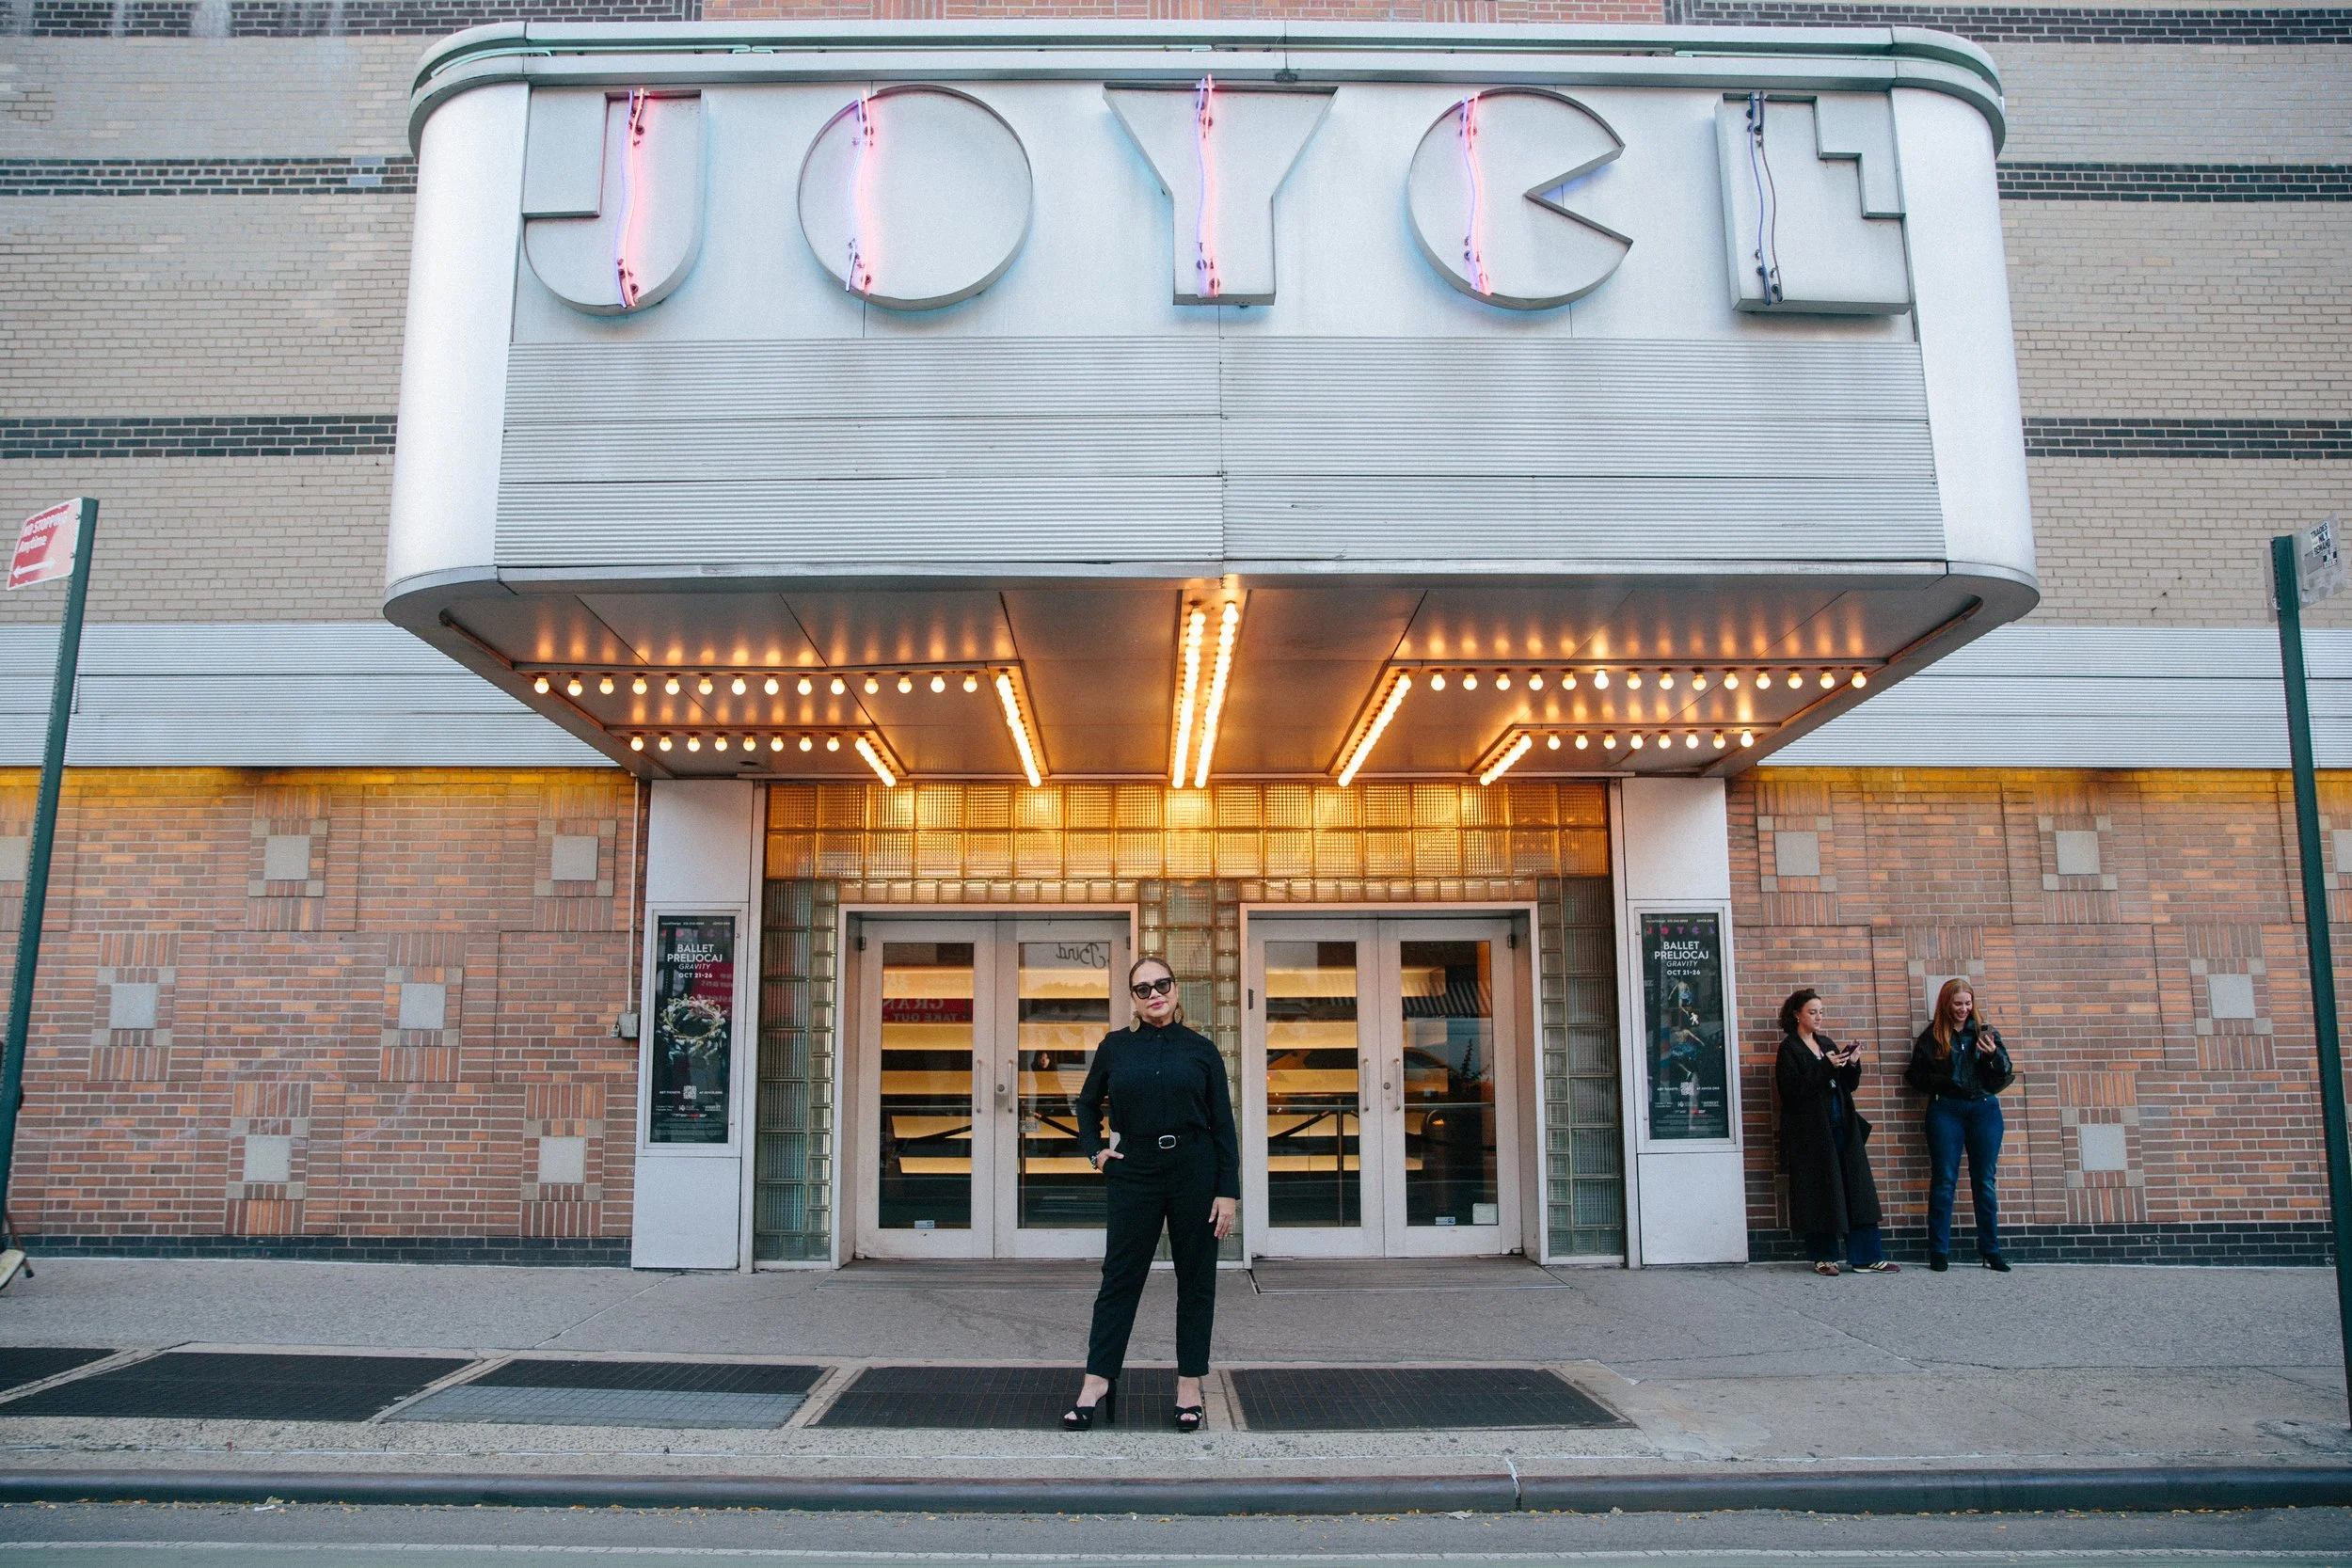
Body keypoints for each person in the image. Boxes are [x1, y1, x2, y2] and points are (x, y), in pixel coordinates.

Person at [1063, 956, 1240, 1433]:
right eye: (1143, 989)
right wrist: (1095, 1152)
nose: (1154, 993)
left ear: (1176, 988)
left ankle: (1189, 1385)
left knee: (1196, 1282)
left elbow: (1223, 1125)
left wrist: (1228, 1191)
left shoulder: (1202, 1051)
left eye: (1161, 983)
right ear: (1134, 1001)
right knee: (1119, 1280)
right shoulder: (1115, 1047)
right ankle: (1096, 1381)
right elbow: (1085, 1103)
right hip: (1135, 1170)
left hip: (1194, 1172)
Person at [1776, 989, 1898, 1275]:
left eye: (1821, 1011)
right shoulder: (1789, 1049)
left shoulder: (1826, 1043)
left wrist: (1851, 1063)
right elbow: (1792, 1092)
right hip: (1812, 1134)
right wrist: (1824, 1068)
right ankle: (1824, 1257)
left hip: (1842, 1126)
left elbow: (1846, 1085)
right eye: (1812, 1012)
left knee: (1857, 1190)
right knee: (1820, 1192)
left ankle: (1867, 1256)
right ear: (1797, 1015)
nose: (1818, 1017)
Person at [1905, 977, 2015, 1273]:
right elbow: (1914, 1076)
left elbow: (2005, 1075)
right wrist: (1944, 1082)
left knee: (1984, 1181)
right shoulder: (1932, 1037)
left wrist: (1993, 1056)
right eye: (1958, 1004)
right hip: (1946, 1110)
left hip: (1984, 1109)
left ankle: (1991, 1251)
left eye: (1968, 1003)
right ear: (1946, 1004)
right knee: (1944, 1180)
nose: (1964, 1009)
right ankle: (1939, 1251)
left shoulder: (1985, 1032)